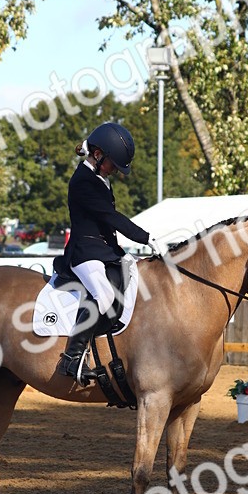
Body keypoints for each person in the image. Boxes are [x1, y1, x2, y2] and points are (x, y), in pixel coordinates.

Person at [56, 122, 159, 383]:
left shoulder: (99, 178)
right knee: (102, 296)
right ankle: (72, 358)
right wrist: (144, 237)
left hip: (104, 250)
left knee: (134, 273)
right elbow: (109, 216)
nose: (116, 170)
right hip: (85, 251)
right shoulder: (83, 182)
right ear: (98, 154)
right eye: (113, 163)